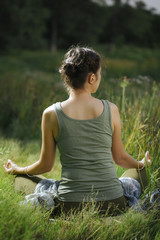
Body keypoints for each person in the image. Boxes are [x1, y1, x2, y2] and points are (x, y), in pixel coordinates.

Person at [3, 46, 151, 216]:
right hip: (113, 203)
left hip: (70, 206)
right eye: (100, 74)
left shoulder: (51, 113)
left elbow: (45, 165)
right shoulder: (111, 109)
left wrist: (18, 169)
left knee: (22, 179)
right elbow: (120, 158)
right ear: (92, 78)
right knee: (140, 172)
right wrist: (141, 164)